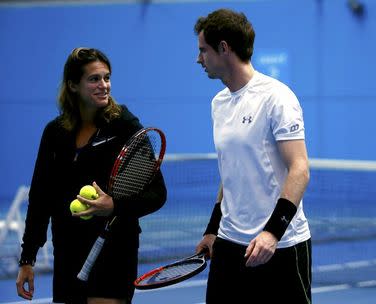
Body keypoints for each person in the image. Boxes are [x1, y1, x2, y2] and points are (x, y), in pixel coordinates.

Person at [16, 47, 167, 304]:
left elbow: (157, 194)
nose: (104, 85)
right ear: (73, 85)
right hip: (68, 251)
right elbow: (41, 197)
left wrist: (114, 206)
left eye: (107, 78)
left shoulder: (125, 127)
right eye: (94, 79)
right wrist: (27, 258)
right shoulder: (54, 133)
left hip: (114, 249)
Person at [194, 9, 312, 303]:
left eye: (203, 50)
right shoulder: (218, 103)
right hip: (229, 245)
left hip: (281, 246)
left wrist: (272, 234)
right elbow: (230, 172)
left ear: (224, 48)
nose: (199, 59)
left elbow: (300, 169)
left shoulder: (277, 98)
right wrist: (212, 230)